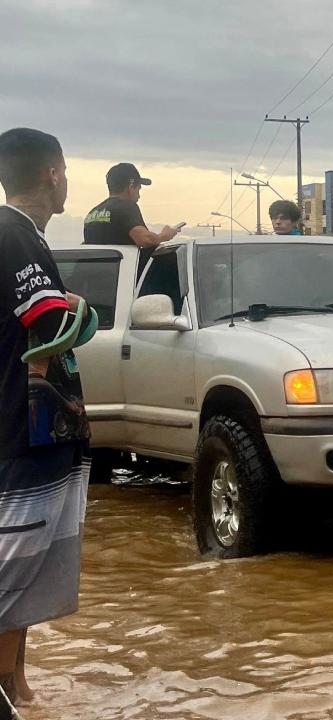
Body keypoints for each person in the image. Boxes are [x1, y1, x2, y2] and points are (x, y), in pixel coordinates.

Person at [0, 128, 91, 713]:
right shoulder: (14, 234)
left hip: (32, 432)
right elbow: (54, 323)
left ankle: (16, 688)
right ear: (54, 174)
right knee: (11, 578)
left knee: (24, 581)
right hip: (23, 433)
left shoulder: (20, 234)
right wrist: (84, 308)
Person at [83, 162, 179, 276]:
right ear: (130, 187)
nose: (139, 196)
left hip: (96, 277)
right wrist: (164, 235)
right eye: (138, 189)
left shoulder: (92, 213)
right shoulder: (126, 206)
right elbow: (145, 239)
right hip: (122, 277)